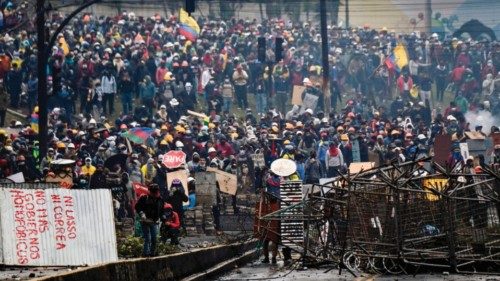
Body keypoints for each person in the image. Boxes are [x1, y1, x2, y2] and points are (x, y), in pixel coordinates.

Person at [135, 184, 164, 257]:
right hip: (145, 220)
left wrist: (161, 218)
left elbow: (161, 210)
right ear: (150, 191)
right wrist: (142, 214)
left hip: (154, 221)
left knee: (154, 238)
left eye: (155, 192)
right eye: (153, 192)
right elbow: (137, 206)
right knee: (148, 238)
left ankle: (152, 253)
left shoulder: (160, 199)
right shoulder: (144, 198)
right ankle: (145, 254)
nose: (154, 194)